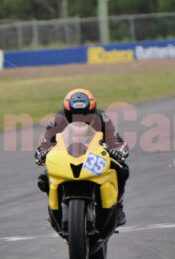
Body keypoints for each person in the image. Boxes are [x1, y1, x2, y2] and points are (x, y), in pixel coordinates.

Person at [34, 88, 130, 225]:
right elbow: (46, 142)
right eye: (74, 115)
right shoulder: (57, 120)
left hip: (94, 157)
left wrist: (118, 150)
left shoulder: (103, 118)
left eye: (84, 115)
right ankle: (55, 209)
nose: (79, 119)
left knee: (122, 170)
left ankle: (118, 205)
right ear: (67, 112)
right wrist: (42, 152)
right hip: (66, 157)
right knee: (44, 178)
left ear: (92, 111)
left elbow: (116, 141)